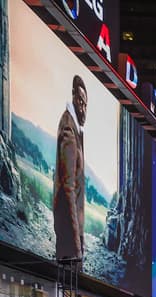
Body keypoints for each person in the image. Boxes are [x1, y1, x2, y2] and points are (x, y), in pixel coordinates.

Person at [54, 75, 88, 261]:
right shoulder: (69, 128)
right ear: (73, 97)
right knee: (68, 284)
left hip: (72, 230)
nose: (83, 109)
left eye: (85, 105)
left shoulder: (76, 128)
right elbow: (68, 188)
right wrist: (76, 244)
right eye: (80, 101)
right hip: (69, 232)